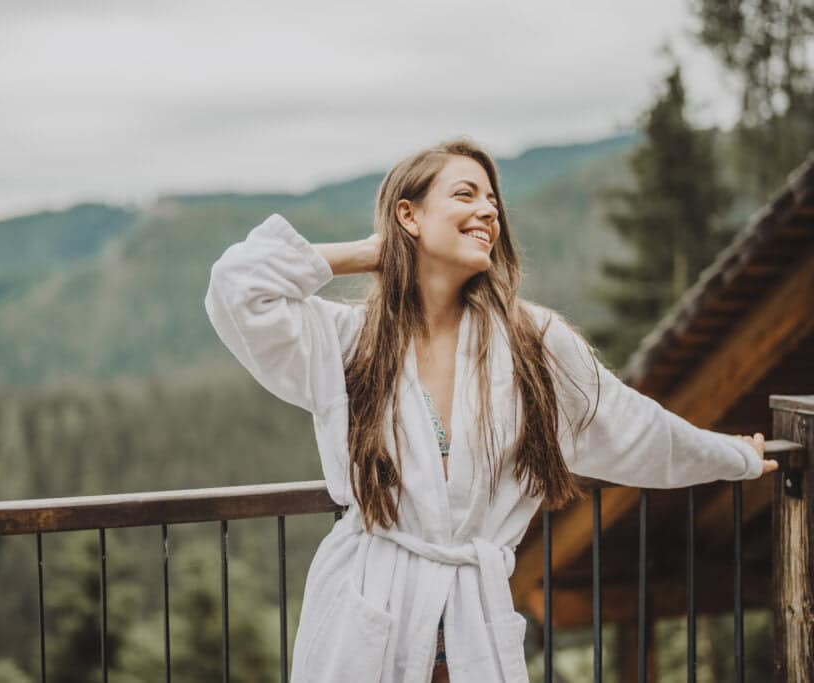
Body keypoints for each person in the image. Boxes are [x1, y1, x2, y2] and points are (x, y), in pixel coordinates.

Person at [203, 137, 775, 683]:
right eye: (465, 194)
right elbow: (238, 286)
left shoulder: (532, 343)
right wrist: (370, 254)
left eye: (493, 201)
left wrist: (735, 456)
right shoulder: (349, 343)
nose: (488, 211)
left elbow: (633, 428)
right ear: (409, 215)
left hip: (471, 627)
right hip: (366, 616)